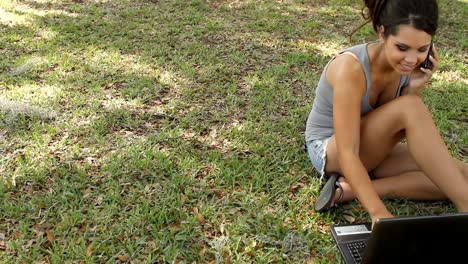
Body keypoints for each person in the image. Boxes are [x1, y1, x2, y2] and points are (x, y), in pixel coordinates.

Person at [304, 0, 468, 226]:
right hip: (331, 150)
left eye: (422, 49)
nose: (412, 59)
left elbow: (398, 126)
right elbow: (348, 151)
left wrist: (413, 88)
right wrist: (378, 213)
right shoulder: (350, 69)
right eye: (402, 47)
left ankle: (348, 191)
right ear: (382, 33)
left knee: (458, 175)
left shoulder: (405, 68)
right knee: (411, 108)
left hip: (372, 148)